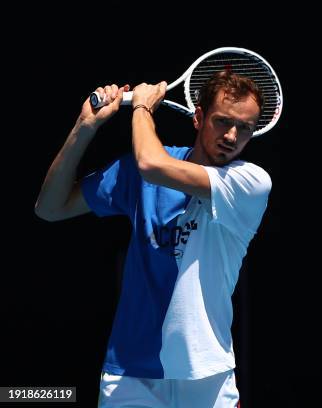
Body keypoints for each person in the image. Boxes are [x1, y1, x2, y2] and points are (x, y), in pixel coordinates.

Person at [34, 70, 271, 407]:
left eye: (245, 127)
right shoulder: (137, 174)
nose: (232, 136)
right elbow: (50, 208)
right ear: (198, 118)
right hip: (130, 378)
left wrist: (142, 108)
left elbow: (150, 162)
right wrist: (84, 128)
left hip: (209, 378)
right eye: (222, 121)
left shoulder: (250, 183)